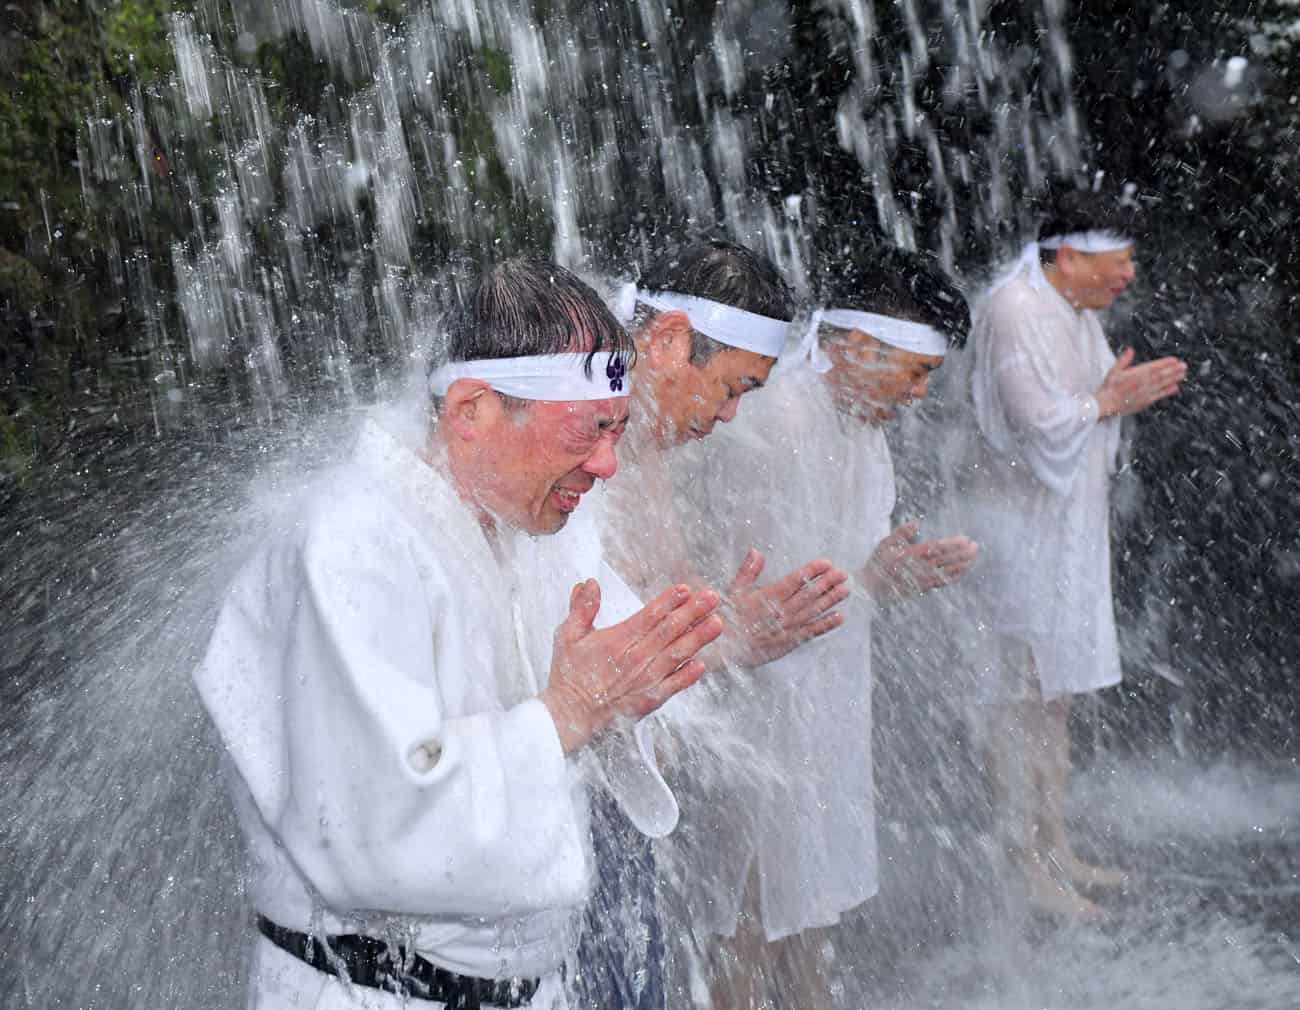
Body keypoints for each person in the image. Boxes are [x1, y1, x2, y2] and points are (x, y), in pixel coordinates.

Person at [193, 258, 725, 1010]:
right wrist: (570, 711)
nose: (608, 464)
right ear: (472, 409)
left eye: (618, 430)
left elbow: (632, 685)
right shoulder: (347, 545)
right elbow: (374, 824)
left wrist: (639, 693)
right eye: (589, 430)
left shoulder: (545, 533)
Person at [678, 248, 978, 1009]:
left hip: (819, 703)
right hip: (749, 711)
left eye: (927, 378)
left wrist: (879, 580)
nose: (917, 396)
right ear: (850, 345)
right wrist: (864, 583)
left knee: (803, 902)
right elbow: (750, 588)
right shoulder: (770, 416)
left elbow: (833, 574)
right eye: (912, 373)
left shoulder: (858, 424)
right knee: (744, 912)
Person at [565, 240, 852, 1010]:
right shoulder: (581, 448)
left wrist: (722, 632)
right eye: (730, 389)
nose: (728, 416)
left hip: (611, 802)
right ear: (666, 341)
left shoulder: (632, 434)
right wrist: (721, 635)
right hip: (562, 812)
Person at [958, 189, 1187, 919]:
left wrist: (1107, 397)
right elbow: (1031, 421)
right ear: (1068, 255)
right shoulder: (1014, 306)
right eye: (1118, 261)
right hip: (1014, 531)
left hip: (1060, 530)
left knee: (1049, 699)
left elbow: (1082, 409)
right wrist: (1109, 401)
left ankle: (1053, 845)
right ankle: (1020, 861)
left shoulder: (1073, 310)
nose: (1128, 276)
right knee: (1018, 696)